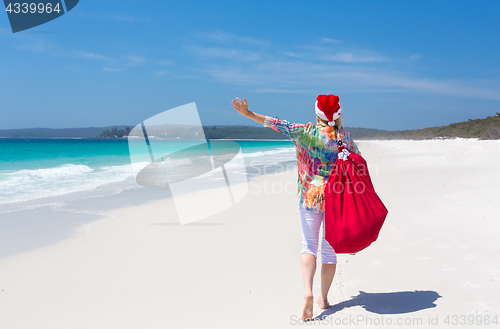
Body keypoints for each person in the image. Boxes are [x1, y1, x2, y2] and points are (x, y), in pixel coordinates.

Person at [231, 94, 361, 320]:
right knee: (329, 251)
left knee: (308, 245)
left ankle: (308, 293)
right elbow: (357, 161)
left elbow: (277, 123)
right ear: (338, 114)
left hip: (309, 198)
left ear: (317, 113)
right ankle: (323, 298)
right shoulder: (345, 138)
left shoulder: (305, 132)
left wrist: (248, 114)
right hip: (335, 201)